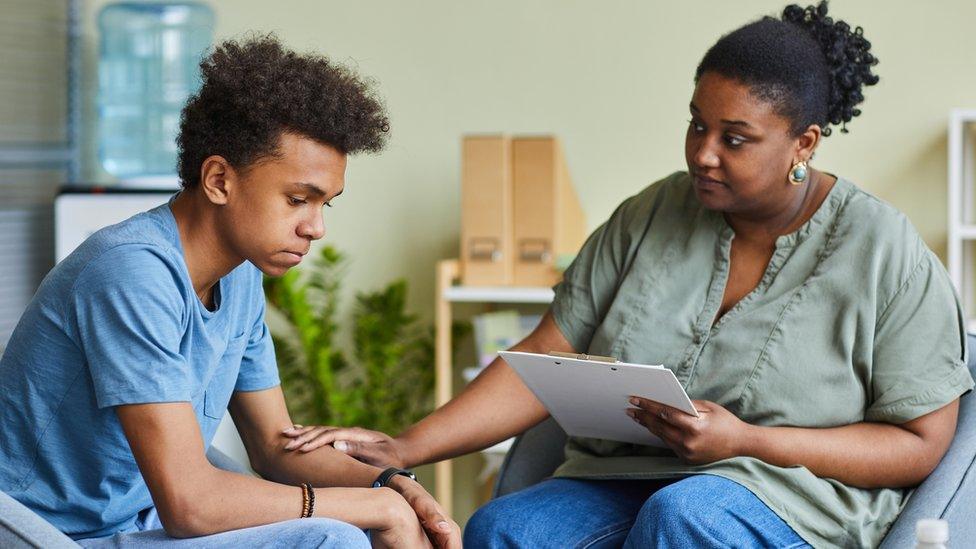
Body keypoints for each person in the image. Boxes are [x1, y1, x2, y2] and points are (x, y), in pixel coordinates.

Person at [284, 3, 975, 547]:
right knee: (505, 528)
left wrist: (746, 440)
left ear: (804, 142)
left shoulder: (885, 250)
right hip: (625, 477)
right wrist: (409, 443)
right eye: (695, 125)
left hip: (791, 499)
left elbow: (921, 443)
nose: (703, 153)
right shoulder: (648, 214)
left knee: (686, 517)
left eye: (735, 138)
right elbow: (546, 352)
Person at [0, 35, 460, 548]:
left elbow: (273, 447)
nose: (315, 228)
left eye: (324, 204)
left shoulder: (239, 276)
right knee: (332, 541)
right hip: (48, 534)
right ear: (219, 179)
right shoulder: (131, 273)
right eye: (297, 199)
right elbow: (190, 505)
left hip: (138, 520)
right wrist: (374, 508)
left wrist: (392, 485)